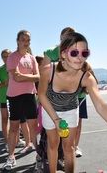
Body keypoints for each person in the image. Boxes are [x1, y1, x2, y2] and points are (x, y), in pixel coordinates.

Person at [38, 32, 107, 173]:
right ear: (63, 54)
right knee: (53, 144)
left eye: (84, 53)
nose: (80, 58)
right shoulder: (48, 71)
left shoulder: (86, 77)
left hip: (71, 110)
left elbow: (101, 105)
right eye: (74, 53)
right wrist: (56, 119)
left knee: (69, 147)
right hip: (49, 109)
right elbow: (41, 95)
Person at [42, 27, 86, 158]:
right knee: (54, 134)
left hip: (77, 96)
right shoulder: (50, 52)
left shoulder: (78, 52)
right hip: (54, 99)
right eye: (66, 37)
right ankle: (53, 157)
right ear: (61, 39)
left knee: (77, 124)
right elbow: (43, 73)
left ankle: (74, 147)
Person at [2, 30, 40, 170]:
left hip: (29, 94)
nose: (26, 41)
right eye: (23, 39)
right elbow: (16, 78)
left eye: (28, 39)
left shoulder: (31, 58)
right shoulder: (12, 57)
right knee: (13, 128)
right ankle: (11, 157)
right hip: (14, 96)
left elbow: (38, 77)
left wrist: (25, 76)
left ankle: (40, 154)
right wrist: (31, 76)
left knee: (33, 127)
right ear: (17, 40)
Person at [0, 49, 30, 152]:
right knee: (5, 119)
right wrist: (3, 84)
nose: (6, 58)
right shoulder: (0, 70)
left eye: (8, 56)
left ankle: (17, 140)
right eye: (4, 56)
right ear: (2, 58)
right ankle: (7, 141)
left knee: (16, 120)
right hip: (4, 98)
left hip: (16, 97)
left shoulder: (17, 67)